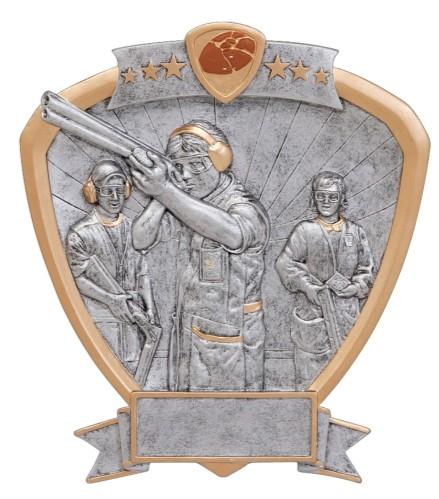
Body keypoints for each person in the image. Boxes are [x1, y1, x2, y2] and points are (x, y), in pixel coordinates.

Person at [128, 120, 270, 391]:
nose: (186, 175)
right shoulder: (182, 201)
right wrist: (162, 195)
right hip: (188, 331)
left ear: (220, 160)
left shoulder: (243, 205)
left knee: (232, 410)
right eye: (179, 167)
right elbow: (140, 239)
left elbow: (233, 233)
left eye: (196, 165)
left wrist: (166, 190)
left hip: (231, 338)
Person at [275, 171, 374, 390]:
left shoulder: (356, 232)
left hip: (347, 316)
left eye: (332, 197)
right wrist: (307, 287)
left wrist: (355, 287)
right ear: (314, 197)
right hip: (313, 316)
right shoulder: (305, 230)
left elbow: (366, 270)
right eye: (321, 196)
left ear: (341, 199)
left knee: (348, 378)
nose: (326, 201)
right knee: (309, 379)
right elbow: (285, 263)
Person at [66, 159, 157, 375]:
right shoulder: (80, 233)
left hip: (134, 321)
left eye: (119, 190)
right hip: (100, 322)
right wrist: (110, 299)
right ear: (94, 192)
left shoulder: (134, 230)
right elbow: (77, 278)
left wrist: (150, 308)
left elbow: (143, 273)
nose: (115, 197)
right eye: (108, 191)